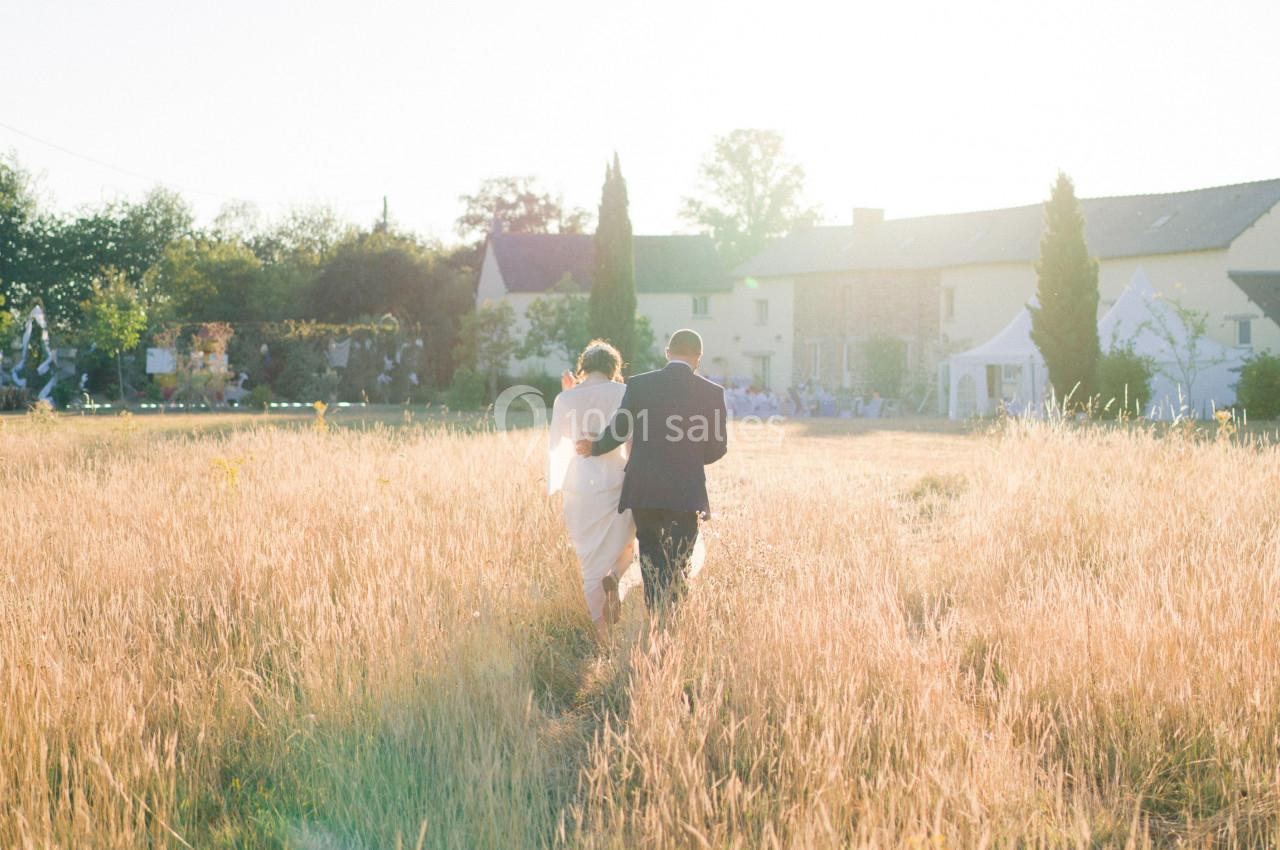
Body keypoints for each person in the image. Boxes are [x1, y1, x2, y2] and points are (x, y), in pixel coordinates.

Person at [576, 329, 728, 613]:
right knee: (680, 562)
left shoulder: (640, 385)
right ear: (698, 359)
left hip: (645, 490)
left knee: (651, 557)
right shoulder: (712, 393)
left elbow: (619, 430)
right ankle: (672, 621)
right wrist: (689, 459)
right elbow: (718, 448)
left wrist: (593, 447)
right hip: (687, 494)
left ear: (667, 353)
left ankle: (655, 617)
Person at [548, 340, 637, 637]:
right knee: (626, 545)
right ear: (614, 367)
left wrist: (569, 394)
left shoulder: (567, 399)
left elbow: (559, 440)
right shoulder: (624, 393)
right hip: (616, 480)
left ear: (583, 365)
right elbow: (630, 442)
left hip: (579, 487)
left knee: (588, 562)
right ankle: (615, 577)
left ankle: (603, 637)